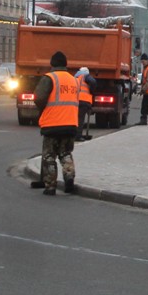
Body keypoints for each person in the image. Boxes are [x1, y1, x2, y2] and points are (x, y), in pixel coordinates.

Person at [33, 51, 79, 196]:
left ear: (52, 64)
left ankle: (50, 186)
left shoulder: (49, 78)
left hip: (52, 124)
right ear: (66, 64)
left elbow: (39, 98)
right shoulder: (73, 80)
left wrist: (42, 110)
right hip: (70, 123)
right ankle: (69, 179)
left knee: (49, 157)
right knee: (66, 153)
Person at [75, 66, 97, 141]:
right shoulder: (85, 76)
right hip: (83, 101)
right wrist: (92, 91)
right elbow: (93, 82)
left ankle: (72, 135)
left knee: (75, 119)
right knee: (80, 119)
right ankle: (78, 136)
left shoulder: (75, 77)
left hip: (75, 101)